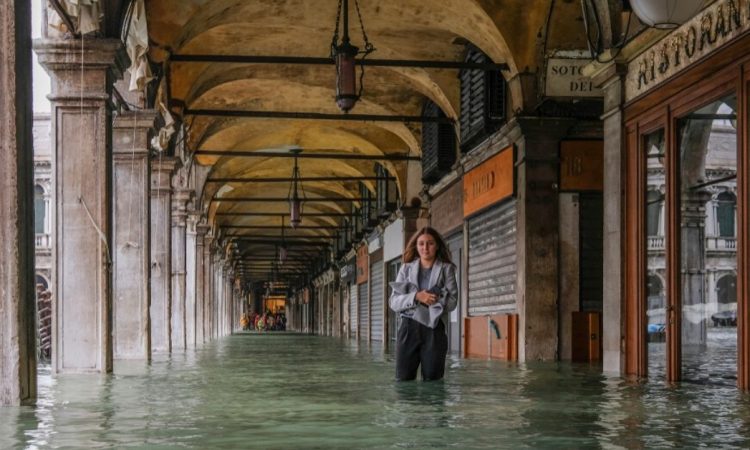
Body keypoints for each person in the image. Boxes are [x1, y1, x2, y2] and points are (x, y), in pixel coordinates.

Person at [389, 226, 458, 381]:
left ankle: (431, 406)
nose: (425, 248)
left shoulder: (447, 269)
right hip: (408, 327)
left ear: (437, 245)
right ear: (416, 246)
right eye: (421, 243)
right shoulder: (405, 268)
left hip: (434, 329)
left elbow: (453, 302)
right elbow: (393, 302)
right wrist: (416, 297)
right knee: (403, 380)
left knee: (433, 381)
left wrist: (434, 299)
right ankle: (408, 407)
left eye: (430, 243)